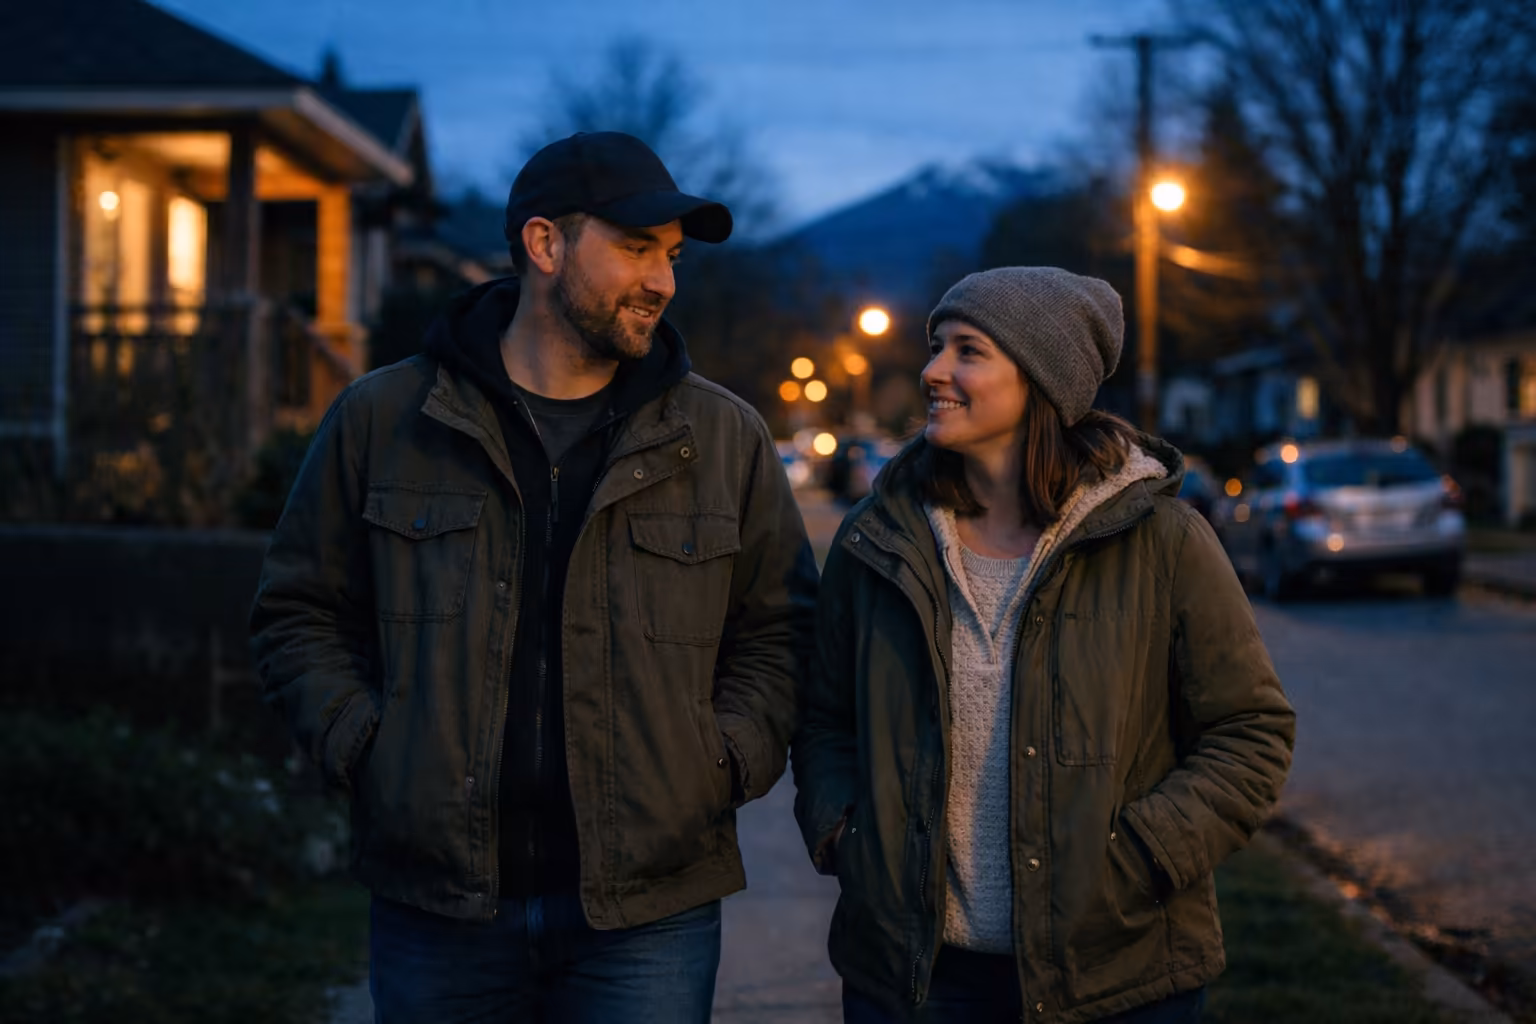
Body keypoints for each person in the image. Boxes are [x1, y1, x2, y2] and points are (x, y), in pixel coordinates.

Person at [250, 131, 818, 1023]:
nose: (664, 282)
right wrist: (368, 750)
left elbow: (780, 631)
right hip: (439, 908)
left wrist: (723, 759)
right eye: (636, 249)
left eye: (670, 257)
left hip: (648, 913)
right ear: (545, 245)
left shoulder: (721, 438)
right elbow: (297, 612)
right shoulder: (386, 419)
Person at [792, 267, 1295, 1022]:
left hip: (1118, 974)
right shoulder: (879, 542)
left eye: (968, 351)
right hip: (916, 979)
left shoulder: (1162, 540)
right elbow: (824, 717)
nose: (933, 372)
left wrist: (1142, 856)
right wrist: (847, 835)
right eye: (936, 348)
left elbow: (1250, 733)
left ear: (1043, 378)